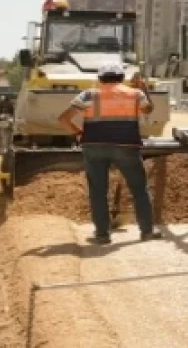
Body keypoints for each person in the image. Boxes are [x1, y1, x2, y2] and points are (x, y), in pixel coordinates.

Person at [58, 62, 162, 245]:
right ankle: (146, 231)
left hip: (94, 146)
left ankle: (102, 235)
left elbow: (63, 118)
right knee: (139, 189)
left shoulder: (88, 95)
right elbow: (148, 110)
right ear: (121, 78)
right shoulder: (135, 94)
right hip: (127, 146)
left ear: (100, 79)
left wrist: (79, 133)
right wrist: (144, 89)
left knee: (98, 191)